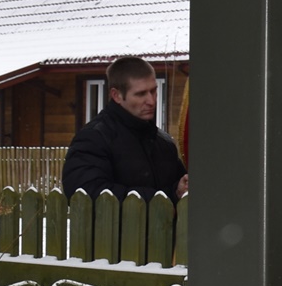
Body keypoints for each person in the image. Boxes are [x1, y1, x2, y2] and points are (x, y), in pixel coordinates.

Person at [62, 56, 188, 201]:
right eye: (140, 94)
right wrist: (155, 200)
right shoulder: (94, 139)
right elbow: (87, 193)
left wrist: (177, 190)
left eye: (153, 91)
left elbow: (174, 191)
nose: (151, 101)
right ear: (116, 95)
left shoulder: (163, 143)